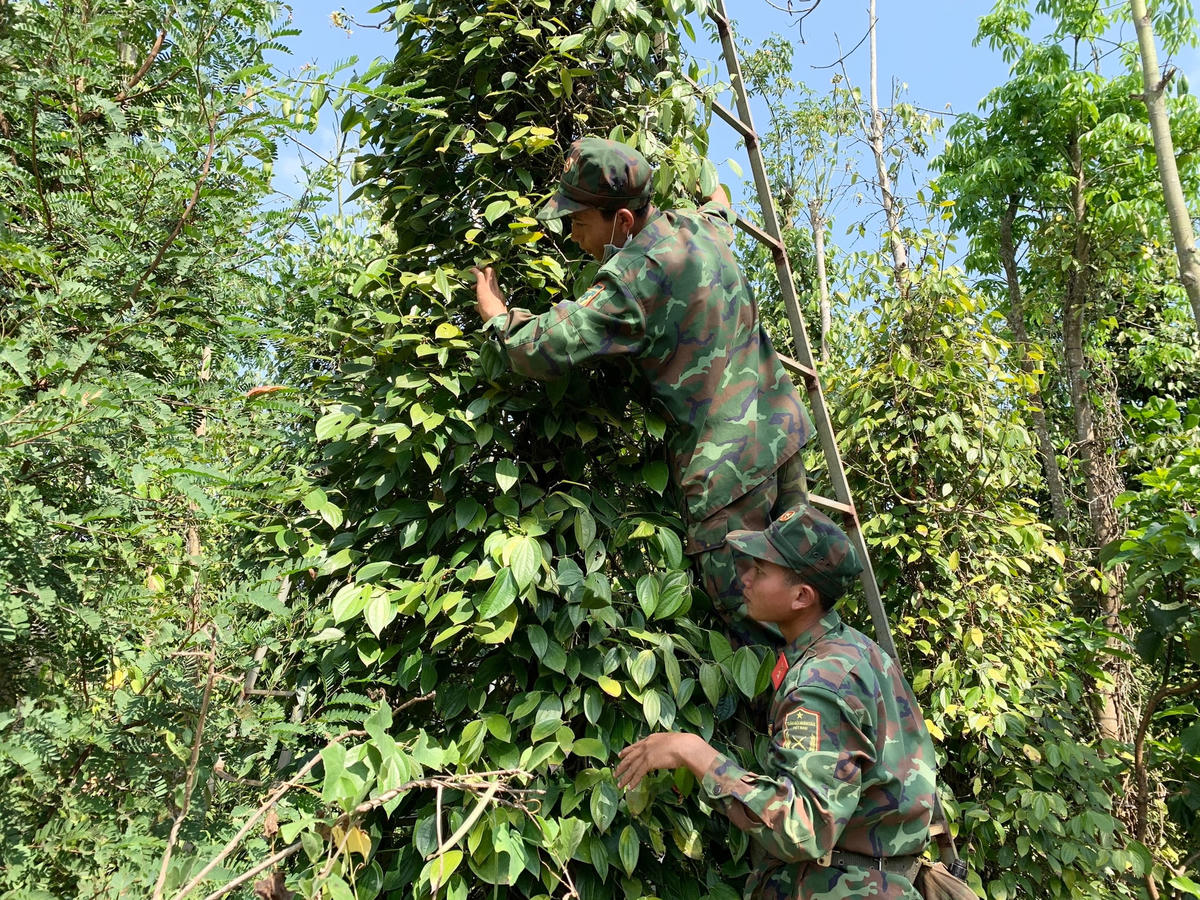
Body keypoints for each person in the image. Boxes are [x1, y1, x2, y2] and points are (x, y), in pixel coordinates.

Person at [472, 137, 813, 647]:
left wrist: (497, 316)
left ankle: (798, 721)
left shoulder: (634, 279)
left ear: (623, 223)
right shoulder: (698, 226)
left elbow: (540, 347)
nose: (571, 236)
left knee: (757, 630)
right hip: (781, 439)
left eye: (579, 222)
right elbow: (720, 203)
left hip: (726, 474)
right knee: (805, 605)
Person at [615, 503, 938, 900]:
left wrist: (696, 755)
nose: (745, 578)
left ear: (802, 596)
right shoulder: (857, 650)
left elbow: (802, 830)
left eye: (761, 571)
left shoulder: (819, 686)